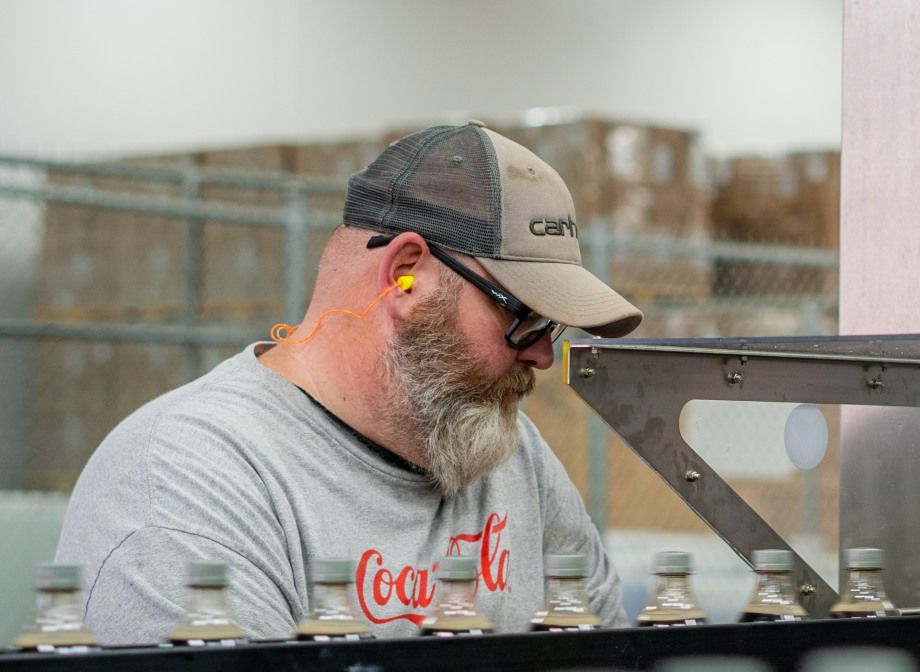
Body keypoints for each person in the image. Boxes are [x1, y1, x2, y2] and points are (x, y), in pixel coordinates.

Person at [55, 122, 641, 642]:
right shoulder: (191, 480)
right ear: (406, 276)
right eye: (522, 315)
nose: (541, 354)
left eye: (551, 326)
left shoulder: (512, 459)